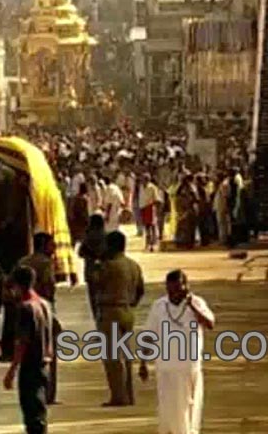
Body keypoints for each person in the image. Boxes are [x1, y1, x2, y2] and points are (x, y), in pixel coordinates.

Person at [139, 270, 215, 434]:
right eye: (170, 289)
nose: (174, 293)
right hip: (165, 367)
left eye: (178, 288)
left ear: (186, 287)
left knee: (189, 406)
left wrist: (191, 306)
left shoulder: (197, 303)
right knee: (167, 408)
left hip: (189, 367)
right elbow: (149, 336)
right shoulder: (159, 306)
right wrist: (143, 363)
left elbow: (210, 324)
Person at [91, 230, 144, 407]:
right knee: (126, 355)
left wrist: (97, 263)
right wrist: (131, 302)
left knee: (112, 357)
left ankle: (118, 396)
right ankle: (129, 394)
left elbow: (95, 282)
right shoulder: (133, 265)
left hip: (110, 311)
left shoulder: (108, 266)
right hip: (127, 311)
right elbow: (140, 290)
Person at [3, 265, 53, 434]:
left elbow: (22, 342)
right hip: (45, 364)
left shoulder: (25, 308)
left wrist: (12, 369)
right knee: (40, 409)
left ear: (18, 285)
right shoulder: (45, 304)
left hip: (30, 364)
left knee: (32, 413)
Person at [16, 232, 59, 404]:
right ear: (43, 245)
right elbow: (50, 286)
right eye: (51, 244)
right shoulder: (46, 263)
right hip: (44, 308)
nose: (54, 248)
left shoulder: (23, 262)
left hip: (25, 308)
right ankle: (49, 394)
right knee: (48, 352)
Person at [139, 174, 161, 252]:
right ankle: (147, 244)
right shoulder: (141, 187)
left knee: (152, 226)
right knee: (146, 227)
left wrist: (153, 206)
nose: (143, 181)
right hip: (143, 207)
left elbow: (157, 199)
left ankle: (153, 244)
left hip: (150, 207)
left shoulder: (152, 187)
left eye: (144, 179)